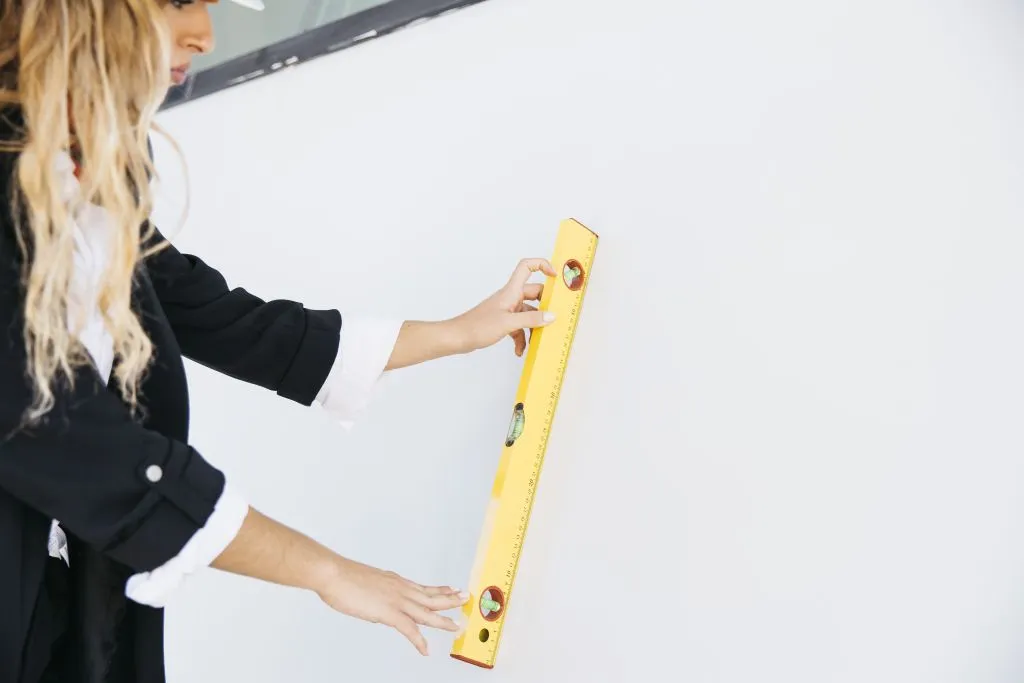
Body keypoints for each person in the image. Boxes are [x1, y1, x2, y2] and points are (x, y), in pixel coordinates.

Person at [0, 1, 558, 682]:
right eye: (179, 3)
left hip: (63, 597)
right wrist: (327, 571)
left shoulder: (89, 168)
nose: (206, 35)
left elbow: (217, 315)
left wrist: (456, 332)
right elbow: (80, 444)